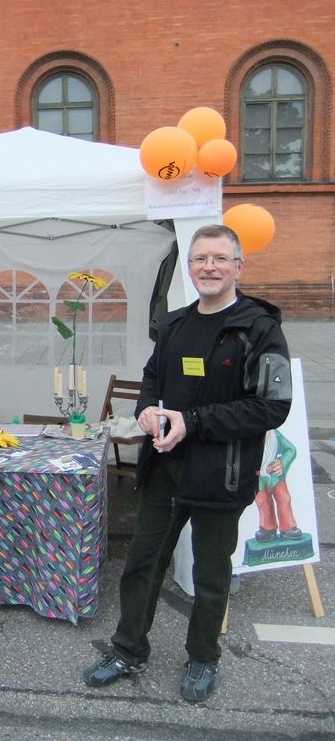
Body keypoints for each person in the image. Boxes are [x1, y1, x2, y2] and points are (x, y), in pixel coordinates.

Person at [83, 224, 291, 702]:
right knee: (142, 565)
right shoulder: (174, 323)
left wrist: (191, 421)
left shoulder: (259, 329)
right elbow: (152, 376)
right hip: (166, 470)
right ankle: (128, 649)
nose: (209, 267)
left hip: (223, 474)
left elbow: (272, 407)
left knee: (211, 575)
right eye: (200, 259)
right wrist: (147, 408)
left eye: (220, 258)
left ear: (238, 267)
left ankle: (202, 658)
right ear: (190, 267)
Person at [255, 428, 301, 541]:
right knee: (262, 501)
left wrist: (282, 462)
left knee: (283, 498)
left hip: (275, 475)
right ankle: (267, 528)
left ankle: (288, 527)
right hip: (258, 477)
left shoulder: (275, 435)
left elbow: (291, 450)